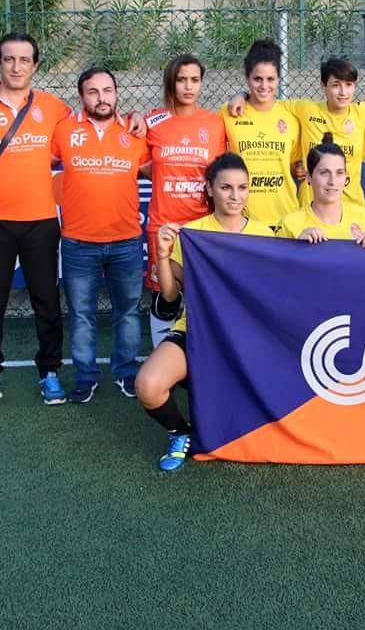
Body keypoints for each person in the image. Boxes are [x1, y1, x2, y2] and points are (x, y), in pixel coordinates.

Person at [0, 32, 73, 410]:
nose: (16, 67)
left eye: (24, 60)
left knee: (47, 302)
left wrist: (132, 119)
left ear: (35, 65)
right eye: (9, 59)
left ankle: (49, 372)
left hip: (41, 222)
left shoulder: (53, 107)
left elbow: (91, 122)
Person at [135, 153, 275, 472]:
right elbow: (170, 294)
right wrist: (162, 254)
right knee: (148, 385)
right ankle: (180, 433)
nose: (235, 196)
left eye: (242, 187)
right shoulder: (194, 234)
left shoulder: (265, 235)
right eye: (226, 187)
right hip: (198, 330)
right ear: (210, 189)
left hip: (248, 338)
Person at [227, 57, 365, 208]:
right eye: (336, 85)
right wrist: (242, 95)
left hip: (351, 208)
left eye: (349, 85)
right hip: (310, 208)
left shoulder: (364, 111)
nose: (343, 92)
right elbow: (265, 98)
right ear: (323, 85)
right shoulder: (306, 109)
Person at [52, 68, 147, 404]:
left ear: (117, 93)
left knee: (128, 311)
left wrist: (139, 116)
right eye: (93, 92)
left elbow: (160, 168)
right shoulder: (63, 130)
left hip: (126, 241)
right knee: (81, 314)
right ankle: (85, 375)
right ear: (82, 97)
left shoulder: (136, 132)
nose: (102, 98)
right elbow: (34, 164)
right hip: (78, 243)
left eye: (108, 90)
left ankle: (125, 370)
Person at [142, 53, 227, 348]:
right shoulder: (153, 121)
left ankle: (204, 359)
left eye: (195, 80)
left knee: (203, 296)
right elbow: (142, 165)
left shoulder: (215, 124)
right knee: (165, 299)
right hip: (163, 227)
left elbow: (220, 173)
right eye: (181, 80)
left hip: (202, 229)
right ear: (171, 82)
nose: (188, 87)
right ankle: (164, 358)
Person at [219, 40, 299, 227]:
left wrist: (299, 169)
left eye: (270, 79)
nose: (264, 85)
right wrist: (241, 95)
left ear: (279, 79)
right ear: (247, 78)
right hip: (242, 220)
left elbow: (293, 167)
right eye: (257, 79)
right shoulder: (228, 113)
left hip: (284, 218)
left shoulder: (291, 117)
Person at [276, 132, 365, 248]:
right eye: (324, 173)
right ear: (309, 177)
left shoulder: (363, 217)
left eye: (339, 173)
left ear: (346, 178)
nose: (332, 181)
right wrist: (296, 247)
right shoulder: (289, 223)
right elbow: (276, 259)